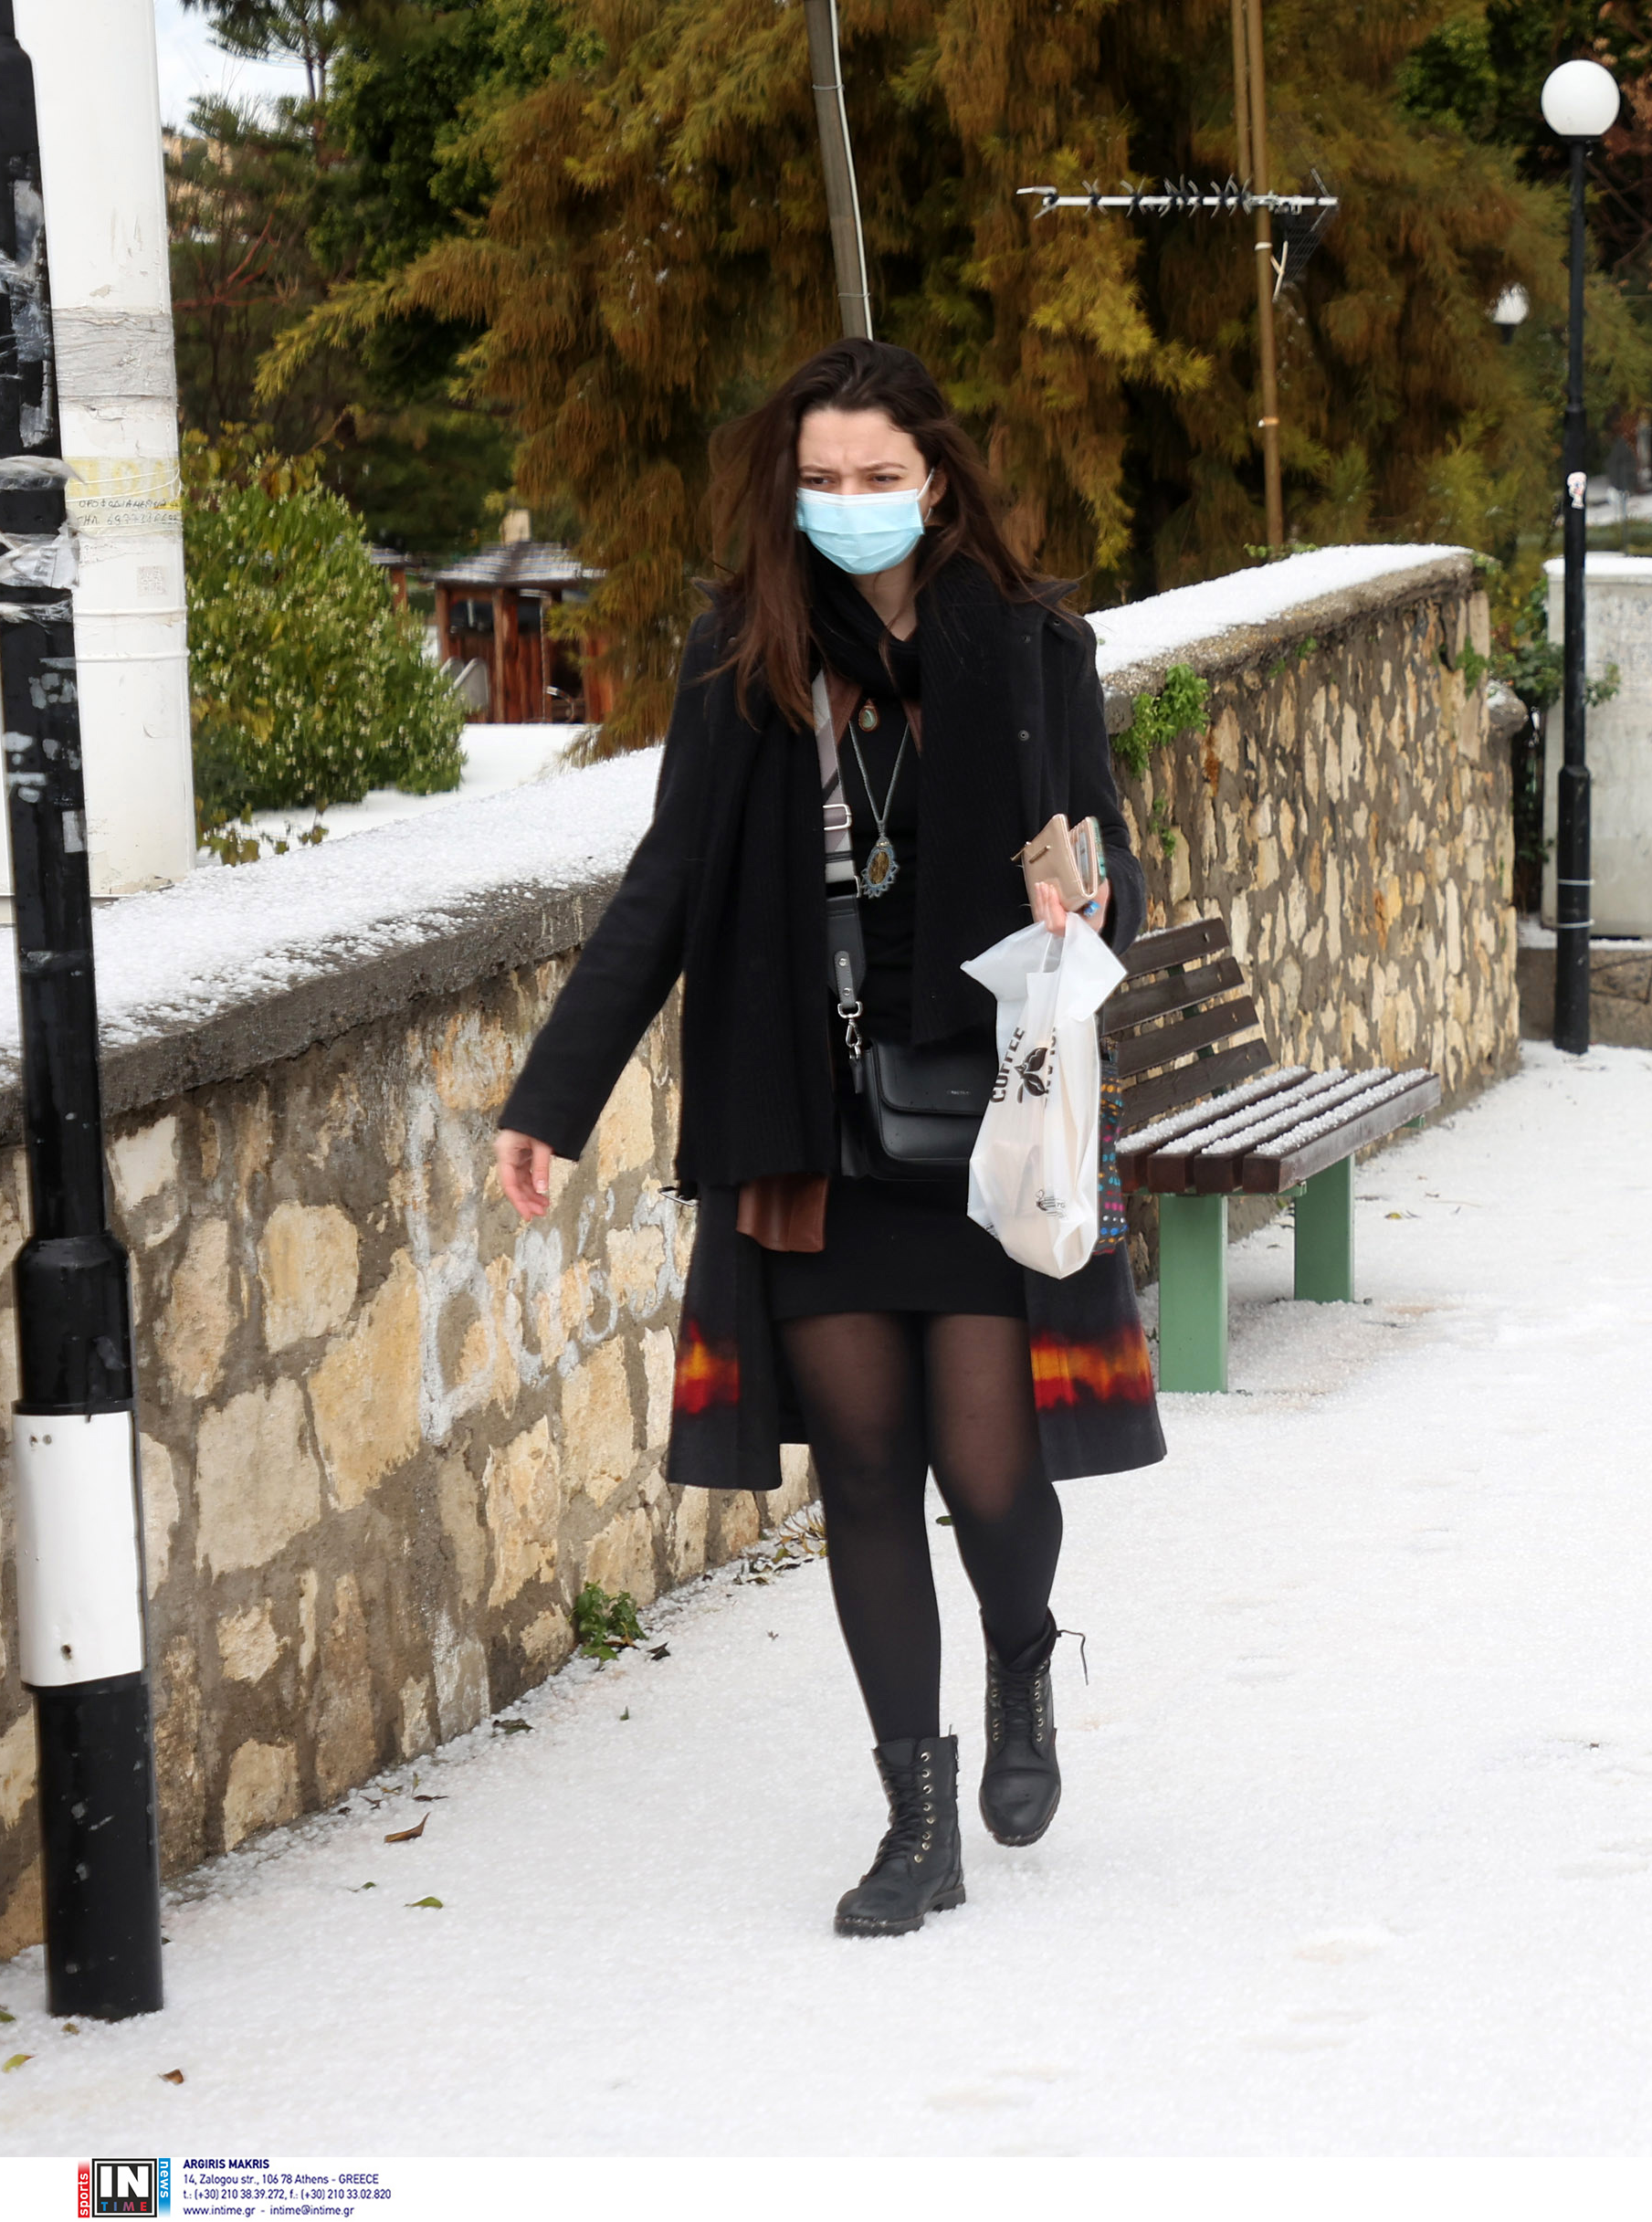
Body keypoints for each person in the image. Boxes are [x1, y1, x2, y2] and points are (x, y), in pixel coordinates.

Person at [492, 338, 1162, 1933]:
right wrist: (551, 1099)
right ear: (787, 487)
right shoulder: (745, 652)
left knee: (989, 1475)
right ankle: (912, 1822)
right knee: (863, 1468)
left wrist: (1088, 883)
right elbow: (664, 887)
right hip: (808, 1129)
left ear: (934, 478)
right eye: (823, 480)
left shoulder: (1029, 642)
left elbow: (1102, 834)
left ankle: (1019, 1647)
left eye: (878, 477)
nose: (850, 505)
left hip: (987, 1129)